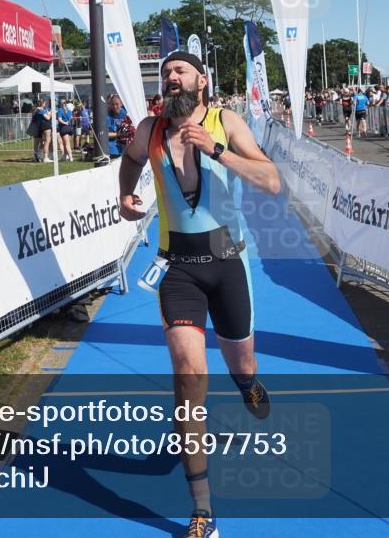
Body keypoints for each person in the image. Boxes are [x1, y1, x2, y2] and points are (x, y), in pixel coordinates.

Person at [117, 51, 280, 538]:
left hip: (229, 264)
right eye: (165, 73)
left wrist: (217, 150)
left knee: (241, 365)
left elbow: (271, 181)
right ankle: (203, 510)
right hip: (178, 268)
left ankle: (247, 382)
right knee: (188, 376)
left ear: (201, 82)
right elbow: (127, 165)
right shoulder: (148, 130)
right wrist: (125, 196)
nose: (170, 78)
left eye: (179, 71)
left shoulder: (225, 122)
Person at [30, 98, 53, 163]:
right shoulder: (40, 110)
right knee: (46, 142)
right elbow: (48, 118)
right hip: (42, 126)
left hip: (36, 126)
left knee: (38, 143)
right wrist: (51, 113)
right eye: (44, 103)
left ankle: (37, 155)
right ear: (42, 103)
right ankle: (43, 156)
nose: (45, 104)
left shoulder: (36, 109)